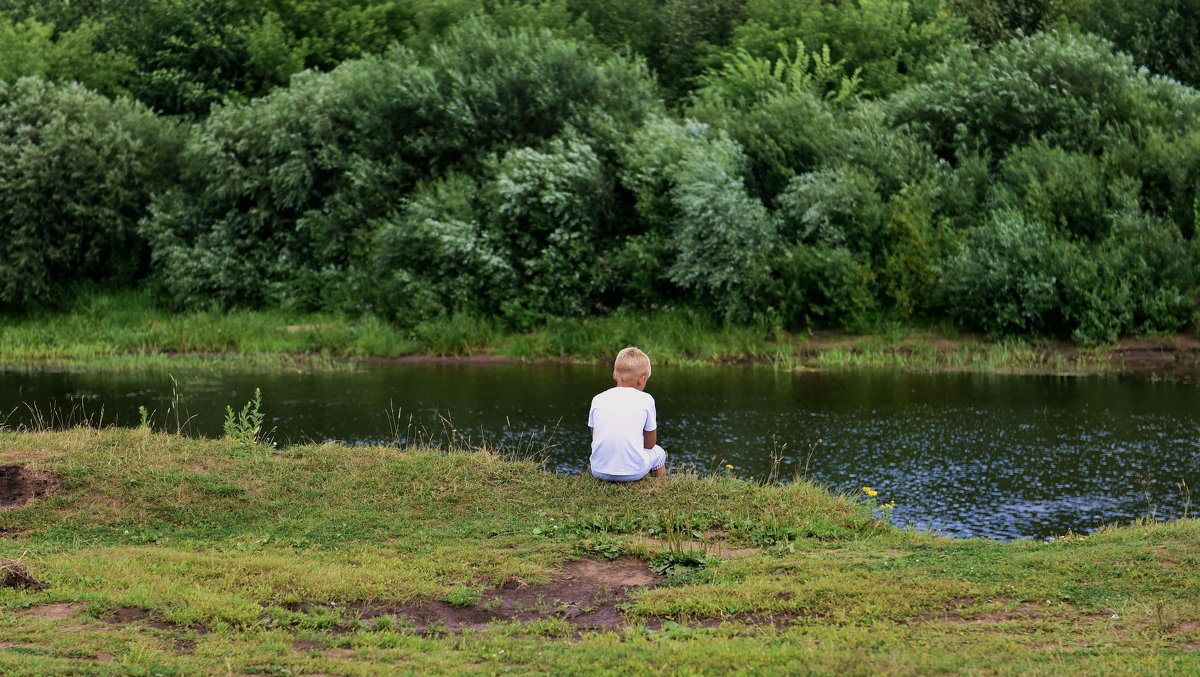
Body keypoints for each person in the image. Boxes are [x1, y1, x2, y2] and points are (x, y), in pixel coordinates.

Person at [588, 346, 667, 482]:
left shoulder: (598, 398)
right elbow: (650, 444)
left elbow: (595, 436)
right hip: (633, 473)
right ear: (642, 379)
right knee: (659, 453)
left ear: (614, 375)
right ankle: (660, 486)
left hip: (598, 470)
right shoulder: (646, 399)